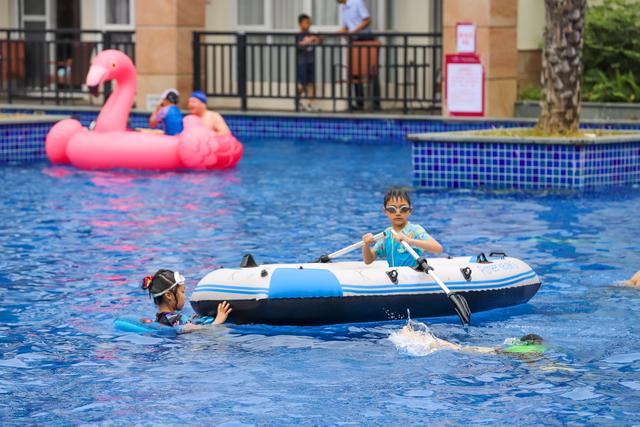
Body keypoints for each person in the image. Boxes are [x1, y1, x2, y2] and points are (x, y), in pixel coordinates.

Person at [362, 187, 443, 267]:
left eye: (403, 209)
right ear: (385, 212)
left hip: (412, 275)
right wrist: (366, 245)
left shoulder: (415, 230)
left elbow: (438, 248)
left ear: (409, 211)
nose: (398, 213)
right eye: (392, 209)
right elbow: (368, 260)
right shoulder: (386, 234)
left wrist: (410, 241)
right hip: (396, 276)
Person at [142, 269, 232, 333]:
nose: (184, 296)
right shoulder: (175, 318)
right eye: (182, 292)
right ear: (168, 295)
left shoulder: (161, 318)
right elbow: (201, 330)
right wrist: (217, 322)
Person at [396, 321, 546, 356]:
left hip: (482, 351)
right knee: (440, 345)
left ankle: (411, 334)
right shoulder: (521, 350)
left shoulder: (517, 348)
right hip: (478, 351)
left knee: (443, 344)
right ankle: (410, 334)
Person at [336, 0, 381, 110]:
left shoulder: (357, 2)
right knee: (355, 71)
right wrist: (335, 33)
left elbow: (367, 20)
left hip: (365, 38)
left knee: (372, 71)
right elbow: (345, 27)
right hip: (354, 39)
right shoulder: (343, 8)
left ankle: (376, 104)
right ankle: (359, 103)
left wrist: (354, 31)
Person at [296, 14, 321, 112]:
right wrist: (309, 40)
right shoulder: (298, 35)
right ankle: (297, 99)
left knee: (310, 83)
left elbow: (319, 42)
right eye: (306, 22)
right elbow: (299, 45)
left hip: (310, 61)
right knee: (303, 84)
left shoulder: (311, 34)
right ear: (300, 24)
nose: (309, 24)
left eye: (309, 22)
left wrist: (318, 39)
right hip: (302, 62)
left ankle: (311, 104)